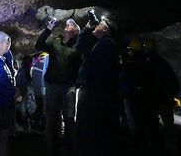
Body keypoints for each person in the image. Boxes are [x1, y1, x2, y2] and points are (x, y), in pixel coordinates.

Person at [35, 18, 81, 156]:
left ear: (75, 32)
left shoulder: (77, 48)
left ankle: (70, 149)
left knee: (69, 119)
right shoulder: (55, 42)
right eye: (68, 24)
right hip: (52, 86)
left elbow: (79, 67)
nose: (68, 24)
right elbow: (39, 45)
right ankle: (52, 150)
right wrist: (48, 29)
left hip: (68, 88)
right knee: (52, 119)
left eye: (71, 25)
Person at [75, 16, 120, 156]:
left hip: (94, 93)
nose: (96, 26)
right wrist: (87, 28)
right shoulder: (101, 43)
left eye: (99, 24)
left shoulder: (106, 44)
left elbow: (93, 65)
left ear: (105, 29)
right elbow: (80, 47)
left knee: (90, 126)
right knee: (89, 126)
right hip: (93, 91)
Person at [143, 38, 180, 155]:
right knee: (169, 126)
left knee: (152, 126)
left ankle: (156, 148)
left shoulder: (145, 64)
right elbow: (173, 80)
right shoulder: (162, 63)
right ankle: (172, 149)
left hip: (153, 100)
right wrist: (172, 95)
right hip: (163, 99)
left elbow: (143, 84)